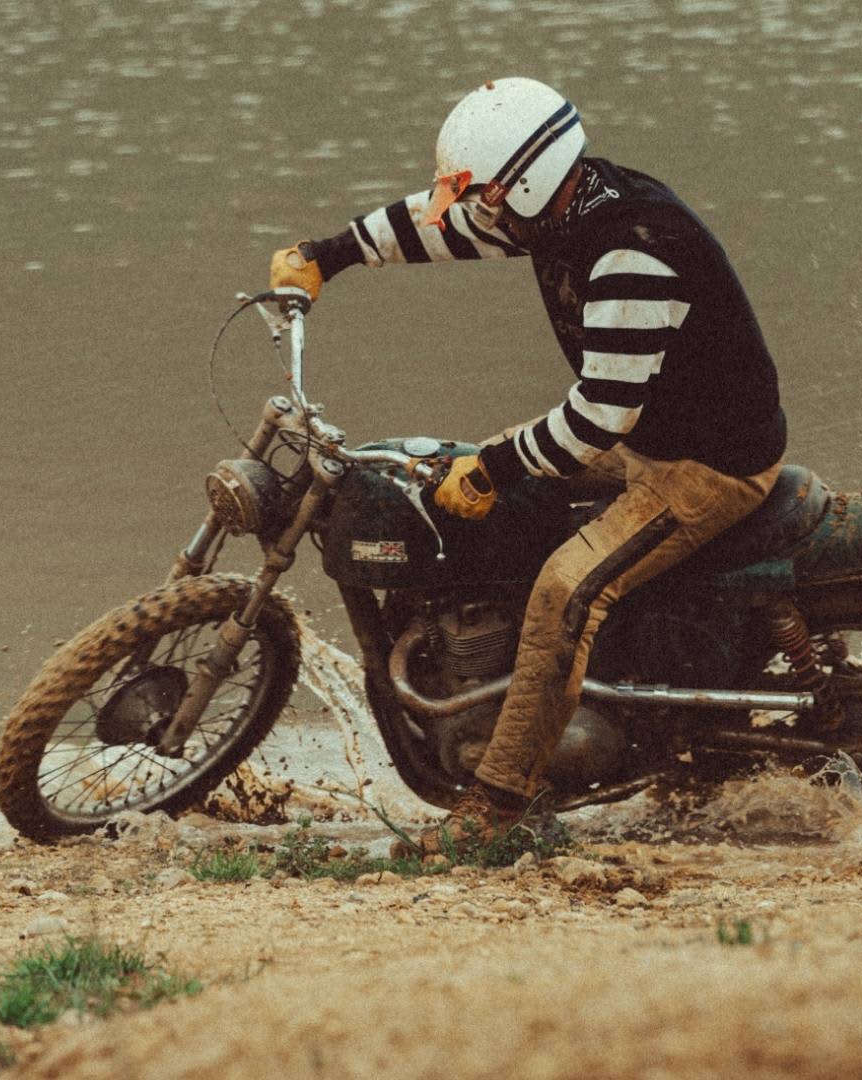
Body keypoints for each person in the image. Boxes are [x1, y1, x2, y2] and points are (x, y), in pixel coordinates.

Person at [268, 76, 786, 851]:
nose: (481, 213)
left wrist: (497, 468)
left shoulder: (631, 253)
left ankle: (497, 804)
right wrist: (329, 256)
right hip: (649, 431)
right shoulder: (557, 210)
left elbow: (598, 418)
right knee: (451, 482)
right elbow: (439, 227)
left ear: (526, 183)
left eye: (487, 197)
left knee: (564, 592)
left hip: (706, 465)